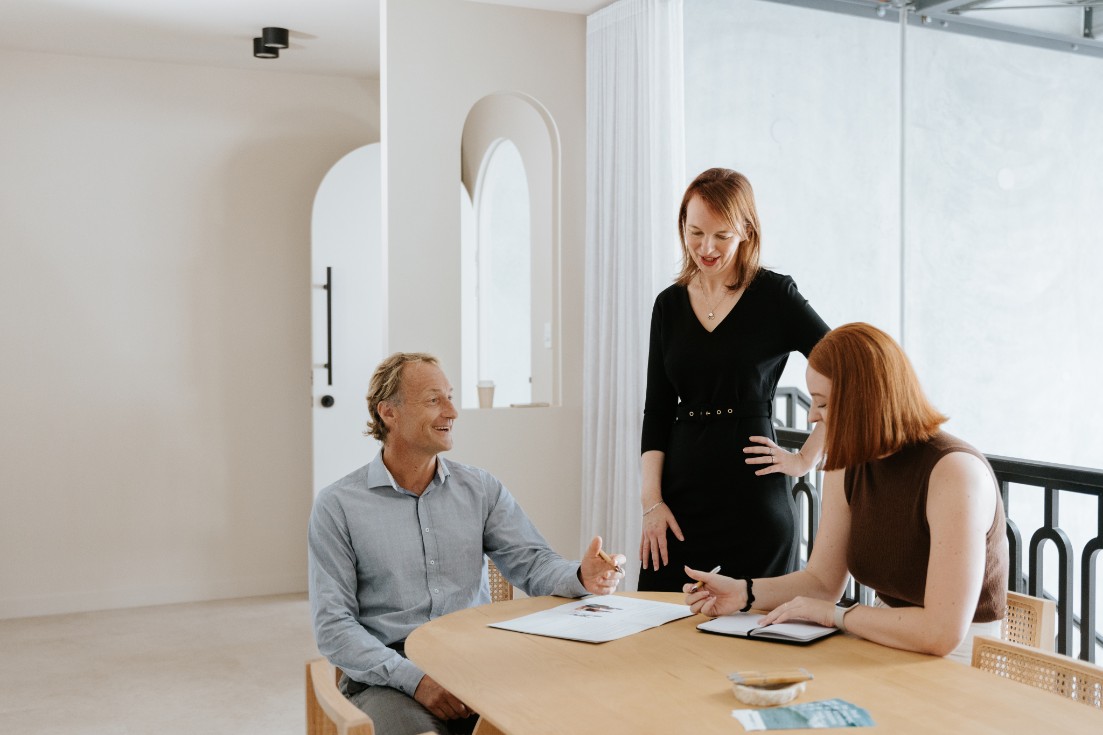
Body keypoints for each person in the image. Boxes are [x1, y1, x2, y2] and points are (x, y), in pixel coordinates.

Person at [309, 352, 626, 735]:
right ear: (388, 413)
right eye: (433, 400)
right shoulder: (337, 506)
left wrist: (582, 575)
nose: (452, 411)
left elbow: (532, 563)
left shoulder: (480, 489)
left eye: (450, 396)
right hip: (388, 677)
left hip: (480, 663)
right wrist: (417, 680)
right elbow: (333, 626)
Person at [684, 322, 1009, 664]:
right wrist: (743, 593)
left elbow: (940, 633)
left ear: (864, 402)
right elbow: (822, 582)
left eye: (822, 404)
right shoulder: (847, 463)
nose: (811, 416)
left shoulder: (955, 473)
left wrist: (834, 615)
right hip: (883, 641)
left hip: (964, 661)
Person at [638, 168, 829, 591]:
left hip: (754, 499)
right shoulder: (668, 306)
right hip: (680, 497)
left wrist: (805, 459)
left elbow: (852, 372)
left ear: (746, 230)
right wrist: (652, 503)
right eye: (695, 232)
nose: (706, 247)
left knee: (749, 642)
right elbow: (657, 411)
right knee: (655, 633)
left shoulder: (776, 296)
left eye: (721, 235)